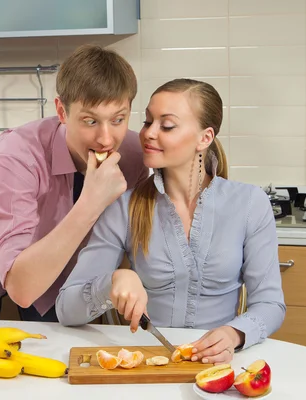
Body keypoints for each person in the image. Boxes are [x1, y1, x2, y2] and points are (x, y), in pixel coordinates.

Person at [55, 78, 286, 364]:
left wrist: (235, 333)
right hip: (146, 364)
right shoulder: (123, 207)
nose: (148, 134)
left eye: (166, 126)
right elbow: (66, 310)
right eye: (147, 121)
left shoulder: (250, 204)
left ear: (205, 137)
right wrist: (112, 281)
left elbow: (270, 304)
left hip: (220, 363)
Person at [0, 44, 149, 322]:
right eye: (90, 121)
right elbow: (22, 289)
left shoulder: (134, 154)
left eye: (118, 119)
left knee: (50, 348)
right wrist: (92, 202)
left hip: (52, 258)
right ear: (62, 111)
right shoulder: (17, 153)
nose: (106, 139)